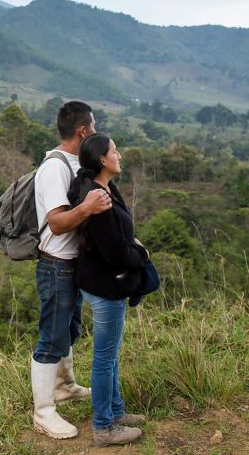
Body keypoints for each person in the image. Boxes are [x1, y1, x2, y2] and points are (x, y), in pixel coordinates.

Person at [31, 101, 113, 439]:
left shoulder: (74, 163)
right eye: (93, 127)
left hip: (71, 267)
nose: (95, 132)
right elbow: (57, 222)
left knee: (69, 331)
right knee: (51, 338)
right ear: (82, 130)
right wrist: (88, 206)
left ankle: (65, 388)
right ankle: (43, 412)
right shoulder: (54, 168)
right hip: (55, 267)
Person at [68, 133, 149, 446]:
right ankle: (103, 427)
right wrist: (142, 255)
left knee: (109, 356)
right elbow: (116, 254)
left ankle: (115, 412)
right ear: (102, 159)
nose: (120, 154)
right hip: (106, 288)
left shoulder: (102, 188)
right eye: (115, 150)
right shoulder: (99, 200)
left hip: (96, 282)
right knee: (104, 358)